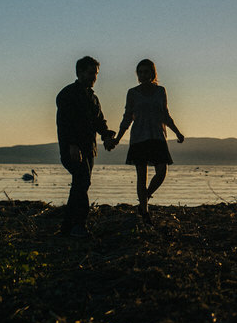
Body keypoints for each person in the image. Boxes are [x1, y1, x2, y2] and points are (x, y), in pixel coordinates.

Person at [113, 59, 184, 224]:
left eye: (146, 72)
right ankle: (144, 211)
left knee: (161, 172)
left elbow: (165, 114)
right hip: (139, 138)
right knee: (141, 176)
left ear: (153, 73)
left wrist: (178, 132)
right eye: (140, 72)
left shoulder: (160, 91)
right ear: (137, 75)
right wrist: (117, 138)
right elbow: (127, 117)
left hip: (158, 136)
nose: (143, 75)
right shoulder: (132, 93)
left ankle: (144, 197)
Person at [56, 56, 116, 237]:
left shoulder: (93, 98)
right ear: (79, 72)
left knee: (80, 185)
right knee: (82, 182)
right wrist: (72, 145)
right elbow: (65, 124)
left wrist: (106, 136)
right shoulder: (67, 94)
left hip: (89, 149)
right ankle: (78, 225)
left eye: (96, 74)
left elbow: (99, 121)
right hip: (72, 149)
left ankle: (68, 227)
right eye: (91, 73)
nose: (94, 77)